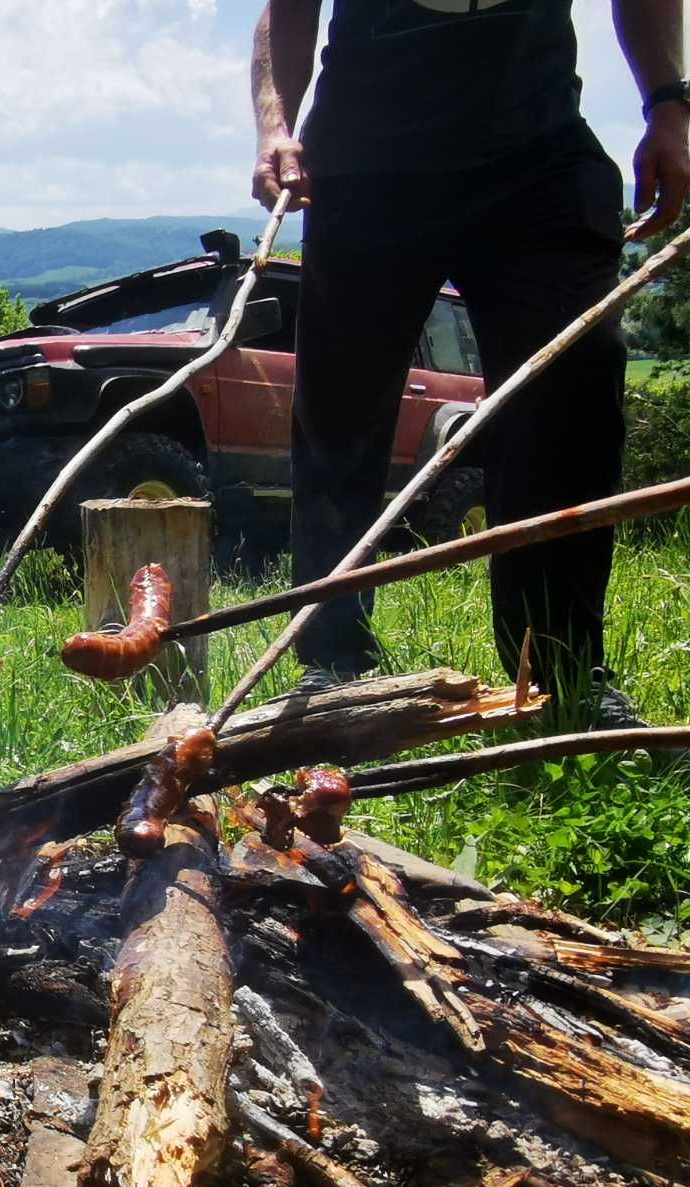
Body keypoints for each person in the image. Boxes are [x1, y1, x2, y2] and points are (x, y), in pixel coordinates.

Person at [251, 0, 690, 723]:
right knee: (339, 407)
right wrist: (276, 124)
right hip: (369, 145)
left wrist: (668, 105)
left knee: (575, 379)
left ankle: (560, 670)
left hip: (534, 138)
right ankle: (332, 664)